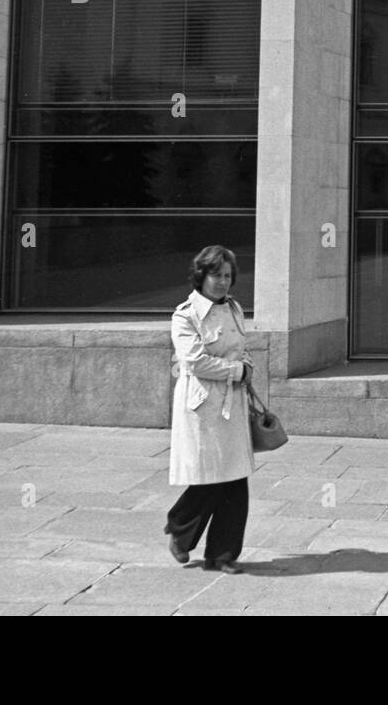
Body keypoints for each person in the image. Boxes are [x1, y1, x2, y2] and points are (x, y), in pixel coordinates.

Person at [164, 245, 255, 573]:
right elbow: (194, 361)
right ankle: (180, 527)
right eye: (216, 275)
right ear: (201, 276)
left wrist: (247, 366)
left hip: (233, 403)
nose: (222, 282)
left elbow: (240, 349)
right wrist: (236, 371)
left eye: (228, 276)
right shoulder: (185, 314)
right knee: (211, 477)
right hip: (203, 405)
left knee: (234, 478)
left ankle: (222, 554)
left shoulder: (234, 309)